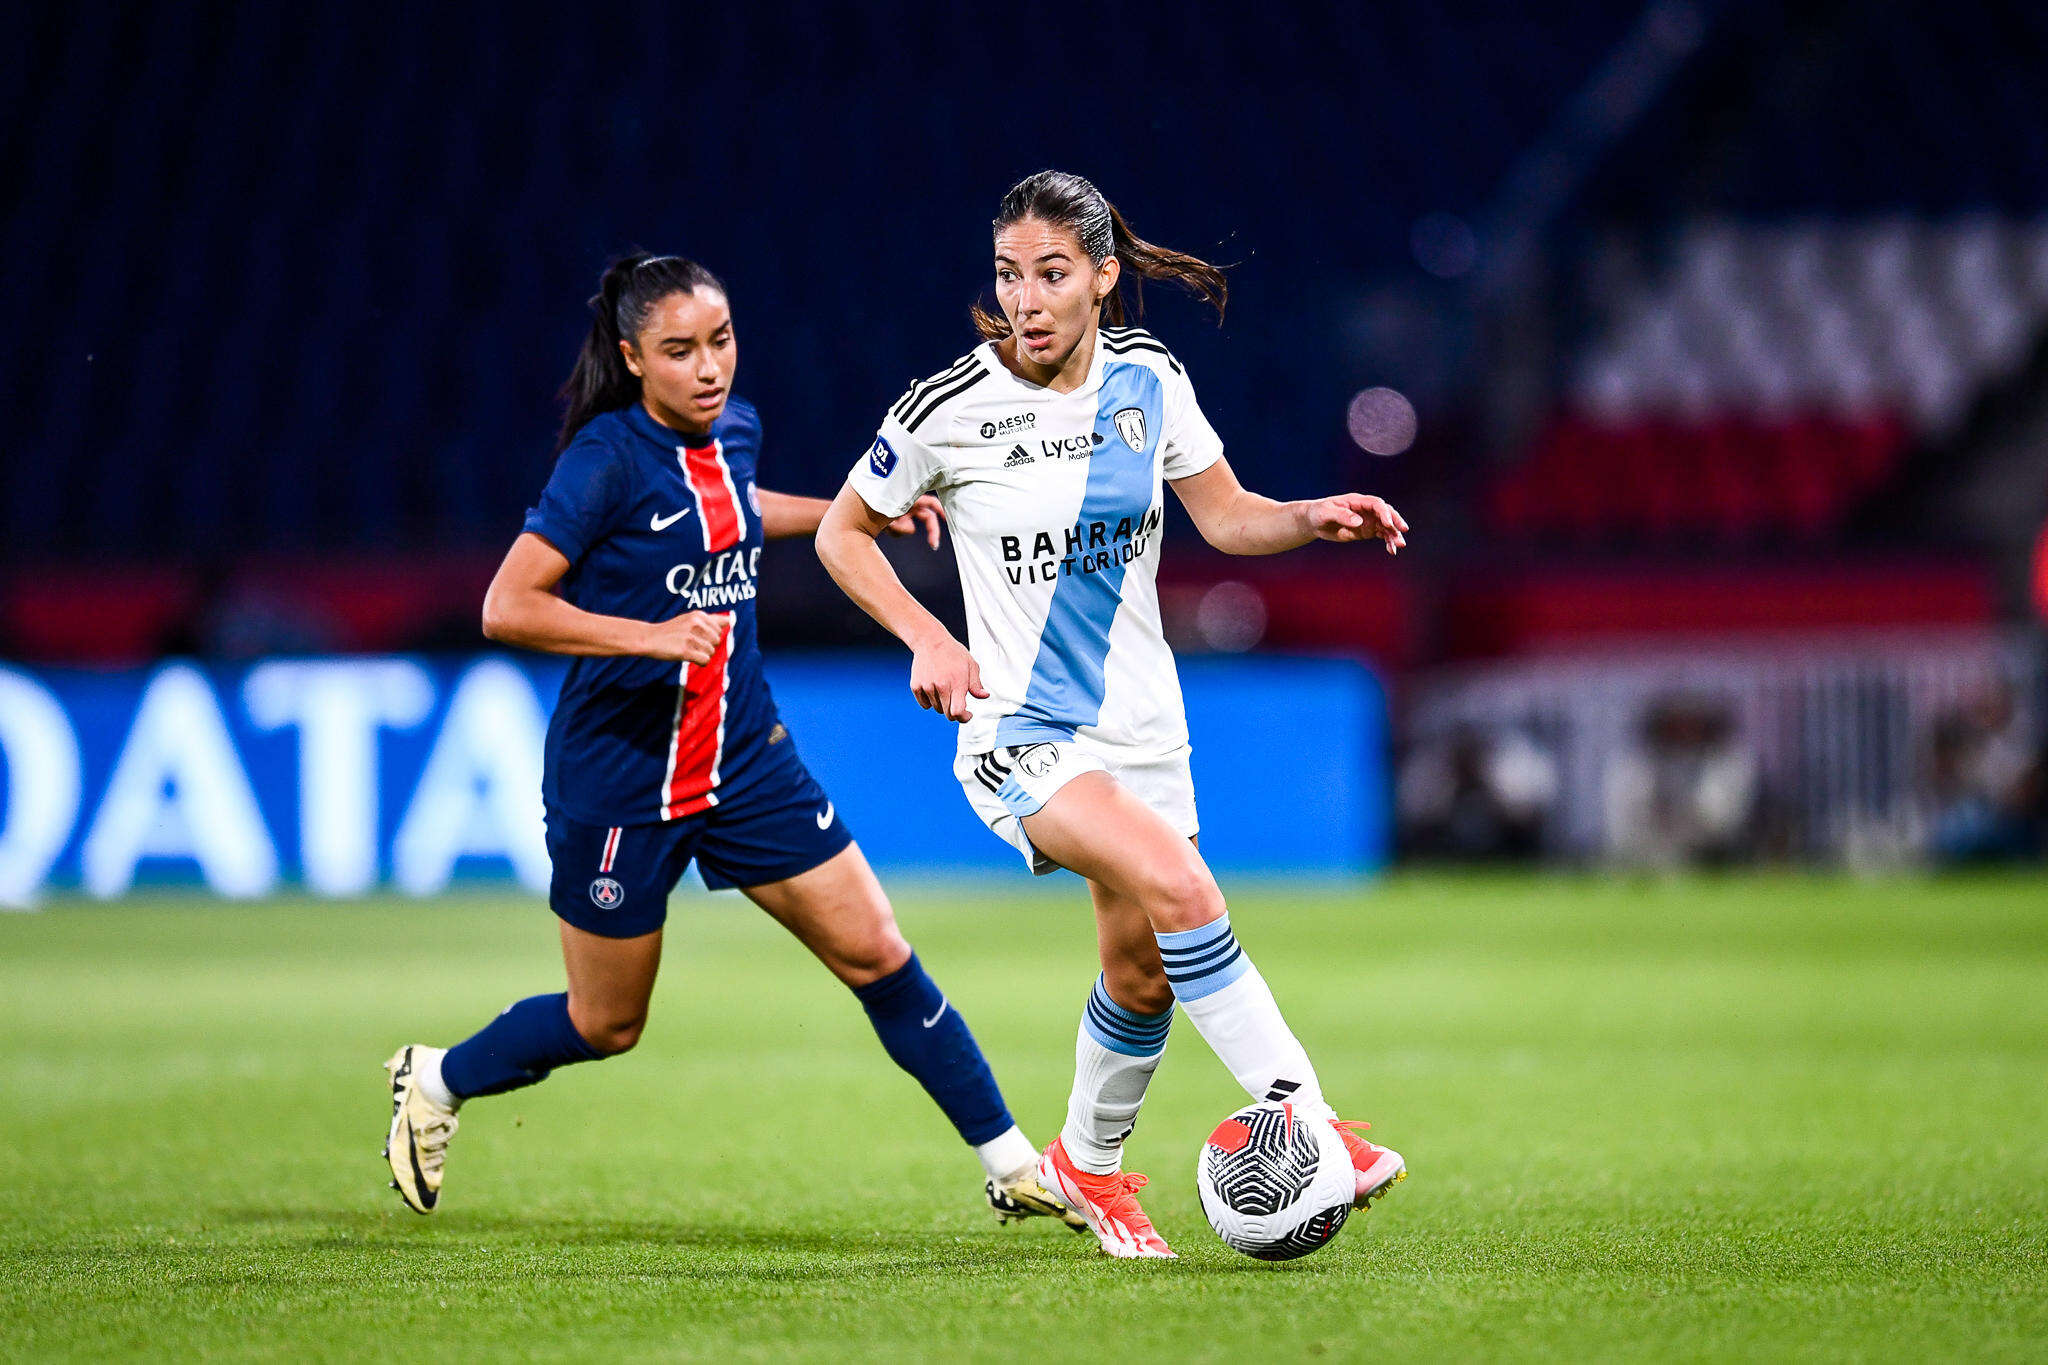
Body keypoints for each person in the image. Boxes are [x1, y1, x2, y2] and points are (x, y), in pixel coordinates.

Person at [383, 252, 1081, 1234]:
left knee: (878, 953)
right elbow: (508, 606)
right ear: (631, 359)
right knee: (606, 1024)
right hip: (622, 777)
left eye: (719, 341)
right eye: (678, 351)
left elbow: (735, 515)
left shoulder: (736, 428)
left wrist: (856, 516)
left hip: (746, 760)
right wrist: (650, 636)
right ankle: (439, 1078)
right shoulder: (604, 463)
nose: (709, 367)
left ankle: (1011, 1162)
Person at [816, 172, 1411, 1258]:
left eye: (1050, 274)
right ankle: (1309, 1116)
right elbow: (842, 535)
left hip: (1144, 728)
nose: (1026, 299)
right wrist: (929, 638)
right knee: (1186, 890)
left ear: (1102, 276)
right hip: (1022, 736)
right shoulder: (946, 406)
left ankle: (1086, 1165)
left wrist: (1309, 516)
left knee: (1139, 968)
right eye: (1007, 275)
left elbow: (1226, 519)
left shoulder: (1148, 380)